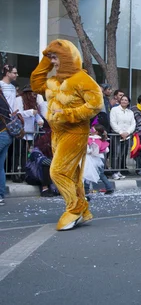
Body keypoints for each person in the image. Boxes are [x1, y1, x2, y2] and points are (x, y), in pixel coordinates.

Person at [30, 39, 103, 230]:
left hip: (76, 132)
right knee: (71, 174)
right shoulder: (53, 81)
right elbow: (36, 81)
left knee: (57, 171)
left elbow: (96, 104)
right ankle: (83, 210)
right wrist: (46, 58)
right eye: (51, 58)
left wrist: (70, 114)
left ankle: (75, 208)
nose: (53, 62)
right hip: (56, 133)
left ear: (66, 57)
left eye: (55, 58)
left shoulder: (82, 79)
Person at [14, 86, 44, 176]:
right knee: (17, 154)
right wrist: (30, 112)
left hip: (30, 133)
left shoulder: (33, 102)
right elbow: (18, 113)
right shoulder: (19, 100)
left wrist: (40, 120)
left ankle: (24, 173)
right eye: (33, 94)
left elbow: (36, 115)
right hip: (20, 132)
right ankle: (15, 173)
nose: (34, 96)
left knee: (26, 154)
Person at [84, 125, 114, 195]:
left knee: (88, 173)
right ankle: (109, 187)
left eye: (92, 129)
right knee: (101, 174)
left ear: (96, 132)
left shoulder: (90, 139)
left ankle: (86, 189)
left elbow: (88, 150)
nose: (90, 130)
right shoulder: (102, 139)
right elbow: (106, 150)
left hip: (91, 159)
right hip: (101, 158)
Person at [109, 95, 135, 177]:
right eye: (122, 100)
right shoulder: (114, 110)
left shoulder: (130, 112)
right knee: (116, 154)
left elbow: (133, 124)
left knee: (122, 155)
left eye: (126, 100)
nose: (124, 101)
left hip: (126, 136)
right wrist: (120, 132)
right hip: (116, 135)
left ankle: (119, 171)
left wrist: (127, 132)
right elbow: (113, 122)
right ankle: (114, 171)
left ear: (128, 102)